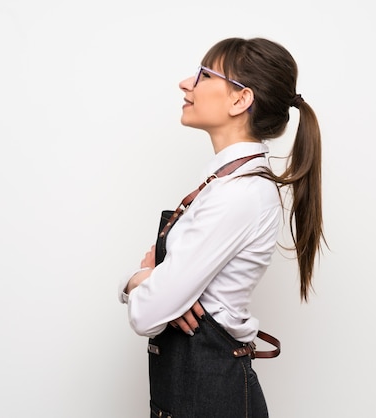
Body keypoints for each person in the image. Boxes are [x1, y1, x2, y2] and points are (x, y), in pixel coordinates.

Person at [118, 37, 324, 418]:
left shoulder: (239, 194)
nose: (185, 83)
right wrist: (157, 285)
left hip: (212, 401)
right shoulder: (224, 184)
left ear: (240, 100)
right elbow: (159, 303)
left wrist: (141, 281)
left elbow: (148, 314)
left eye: (203, 75)